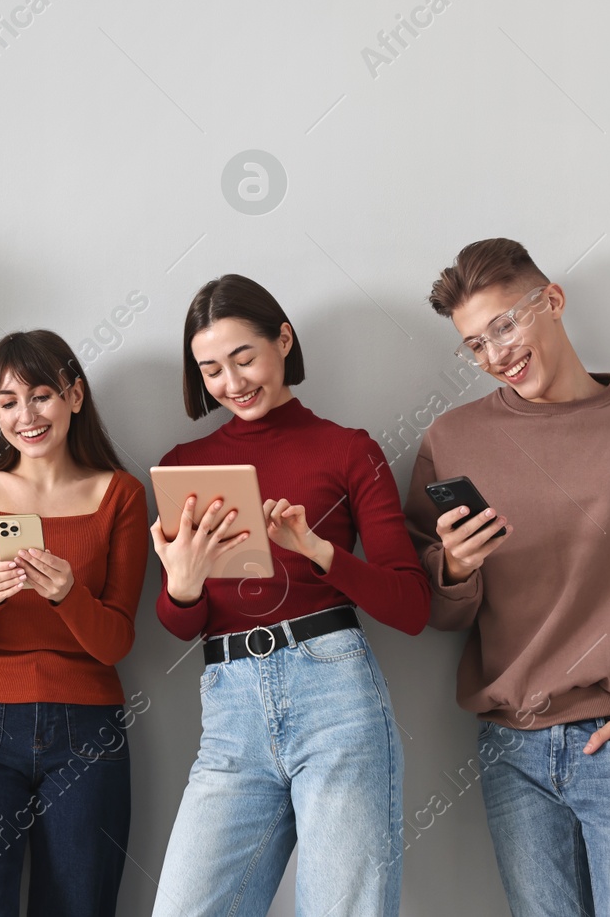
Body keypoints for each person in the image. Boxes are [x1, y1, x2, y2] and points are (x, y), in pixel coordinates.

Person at [404, 237, 610, 917]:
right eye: (474, 344)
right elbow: (438, 609)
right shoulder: (451, 439)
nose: (495, 354)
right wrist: (457, 567)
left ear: (551, 301)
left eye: (505, 325)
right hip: (510, 747)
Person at [150, 275, 430, 917]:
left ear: (283, 340)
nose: (232, 382)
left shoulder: (350, 451)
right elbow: (175, 623)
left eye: (244, 358)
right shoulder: (183, 464)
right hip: (228, 711)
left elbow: (411, 608)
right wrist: (185, 585)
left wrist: (319, 552)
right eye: (211, 369)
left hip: (335, 695)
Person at [0, 330, 148, 916]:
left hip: (88, 729)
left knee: (80, 905)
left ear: (75, 396)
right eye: (7, 402)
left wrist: (68, 595)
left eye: (42, 395)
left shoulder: (121, 495)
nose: (26, 416)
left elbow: (116, 643)